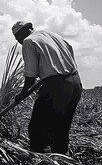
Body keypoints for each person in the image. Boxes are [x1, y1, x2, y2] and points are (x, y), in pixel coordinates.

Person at [12, 21, 82, 154]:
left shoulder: (28, 41)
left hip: (55, 87)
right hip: (75, 83)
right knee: (61, 129)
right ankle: (63, 159)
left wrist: (22, 93)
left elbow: (31, 75)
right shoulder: (53, 35)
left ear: (23, 32)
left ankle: (45, 160)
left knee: (38, 130)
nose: (19, 42)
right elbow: (70, 50)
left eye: (17, 38)